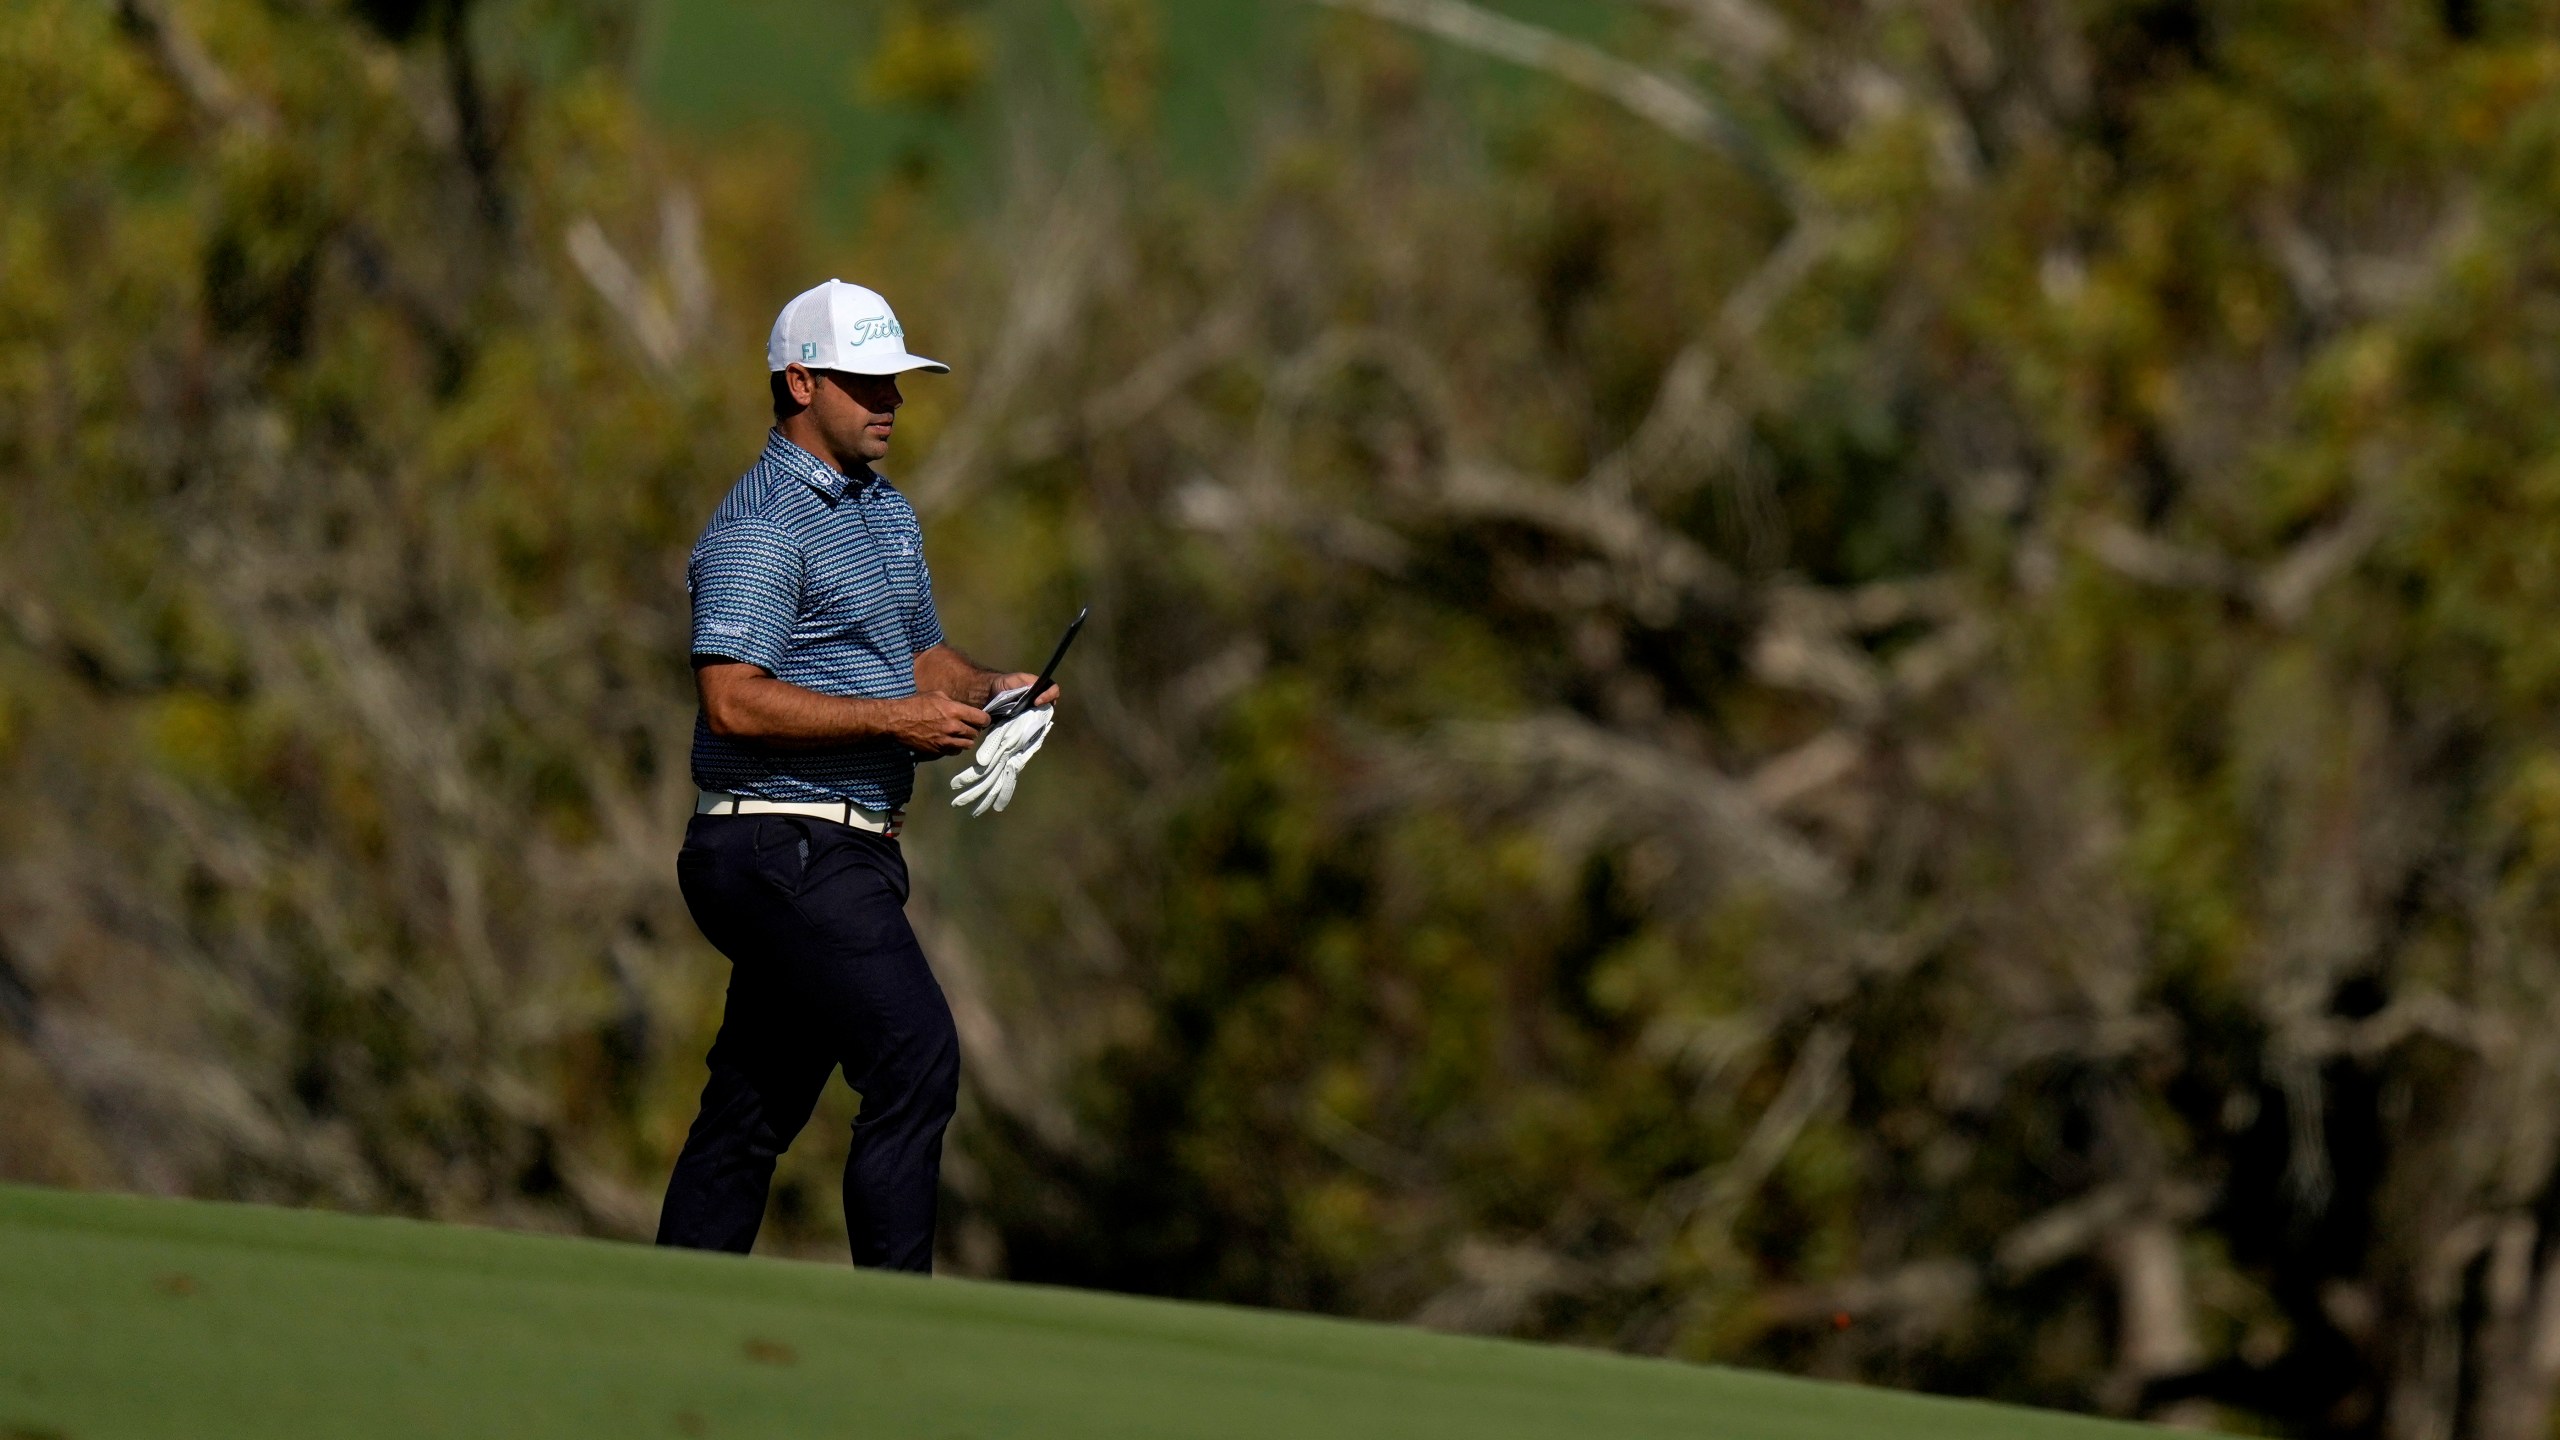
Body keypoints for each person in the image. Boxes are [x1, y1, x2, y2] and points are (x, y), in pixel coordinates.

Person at [655, 279, 1055, 1271]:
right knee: (914, 1056)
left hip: (837, 846)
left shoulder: (884, 513)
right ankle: (898, 1330)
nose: (892, 402)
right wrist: (895, 721)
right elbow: (731, 701)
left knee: (754, 1104)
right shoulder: (760, 523)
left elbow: (921, 661)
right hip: (774, 842)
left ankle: (663, 1308)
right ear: (799, 382)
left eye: (897, 382)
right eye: (867, 382)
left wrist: (991, 689)